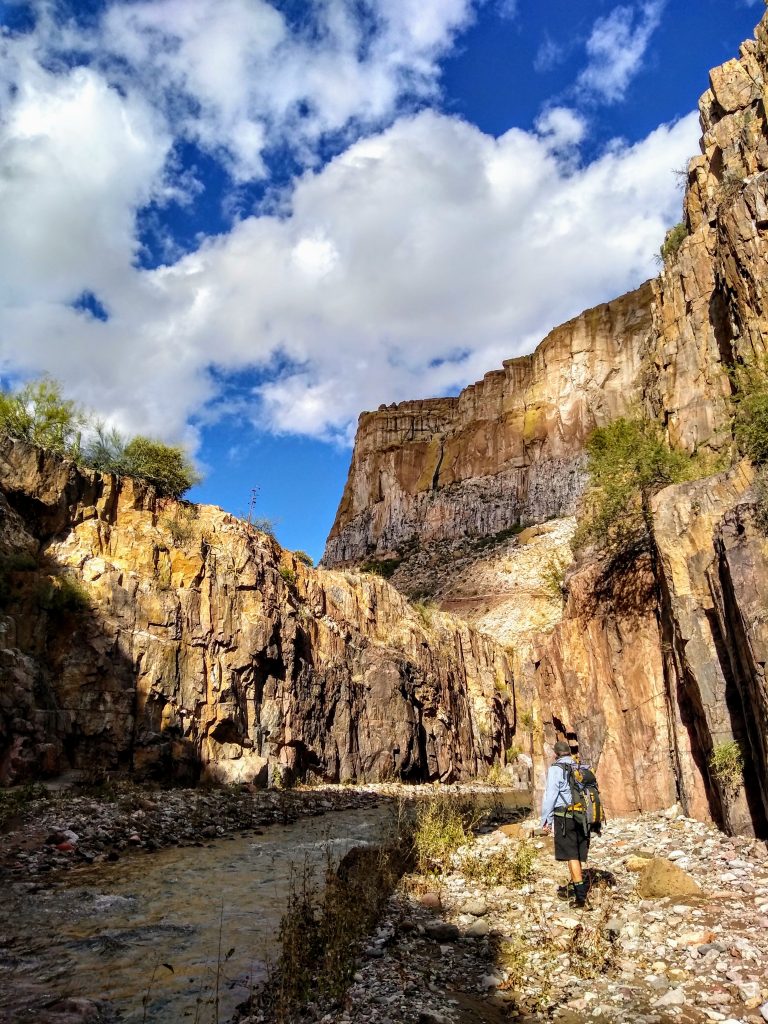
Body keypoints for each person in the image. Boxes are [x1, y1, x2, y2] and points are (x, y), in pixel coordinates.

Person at [541, 740, 591, 906]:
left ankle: (581, 898)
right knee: (576, 854)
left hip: (565, 817)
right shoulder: (580, 766)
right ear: (569, 752)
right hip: (583, 816)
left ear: (556, 754)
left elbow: (550, 797)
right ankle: (576, 887)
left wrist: (545, 821)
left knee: (572, 857)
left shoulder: (556, 769)